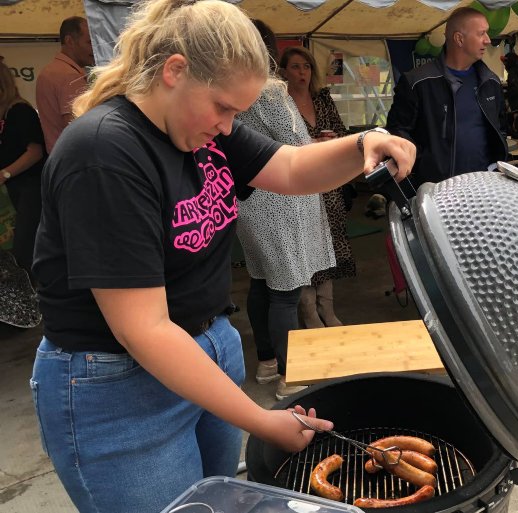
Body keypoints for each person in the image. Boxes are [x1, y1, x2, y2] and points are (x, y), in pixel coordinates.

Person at [29, 1, 414, 512]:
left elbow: (293, 168)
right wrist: (263, 419)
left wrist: (366, 141)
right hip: (116, 384)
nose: (231, 126)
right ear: (174, 71)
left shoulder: (197, 124)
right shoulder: (105, 152)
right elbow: (143, 328)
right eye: (225, 108)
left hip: (207, 349)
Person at [236, 20, 336, 400]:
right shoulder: (270, 89)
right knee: (286, 291)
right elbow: (294, 143)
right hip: (280, 200)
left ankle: (266, 363)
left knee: (262, 282)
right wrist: (319, 142)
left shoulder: (230, 86)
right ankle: (290, 376)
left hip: (249, 199)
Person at [386, 6, 507, 188]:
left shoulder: (491, 82)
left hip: (484, 187)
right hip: (436, 190)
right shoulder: (417, 82)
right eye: (481, 34)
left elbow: (500, 128)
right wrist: (423, 170)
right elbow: (398, 132)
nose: (488, 40)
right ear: (459, 38)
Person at [280, 45, 355, 329]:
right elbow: (277, 147)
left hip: (328, 183)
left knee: (330, 247)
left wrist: (332, 141)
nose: (302, 72)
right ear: (284, 72)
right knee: (305, 248)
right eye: (296, 66)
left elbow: (342, 132)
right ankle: (310, 313)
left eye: (306, 66)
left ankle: (328, 310)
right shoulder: (280, 104)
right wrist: (311, 146)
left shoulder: (322, 98)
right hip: (298, 185)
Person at [0, 60, 45, 280]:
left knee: (23, 249)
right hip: (10, 193)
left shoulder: (20, 111)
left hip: (27, 189)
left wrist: (5, 173)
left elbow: (35, 151)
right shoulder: (4, 114)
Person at [35, 16, 94, 153]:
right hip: (75, 156)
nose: (94, 49)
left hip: (59, 156)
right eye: (89, 42)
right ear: (70, 41)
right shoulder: (69, 75)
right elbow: (77, 126)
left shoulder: (50, 70)